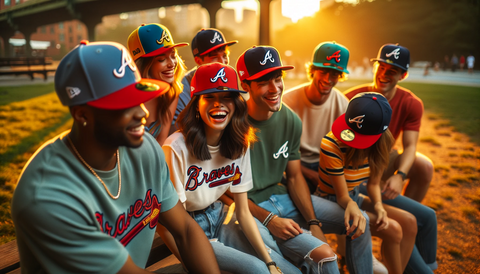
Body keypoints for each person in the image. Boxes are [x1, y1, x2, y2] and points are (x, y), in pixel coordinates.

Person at [11, 41, 220, 274]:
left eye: (139, 97)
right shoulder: (47, 195)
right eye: (124, 104)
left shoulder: (145, 148)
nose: (142, 113)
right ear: (82, 114)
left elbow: (186, 231)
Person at [234, 45, 376, 274]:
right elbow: (223, 191)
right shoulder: (232, 122)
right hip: (248, 210)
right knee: (324, 258)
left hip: (282, 197)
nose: (274, 88)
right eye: (263, 82)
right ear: (245, 85)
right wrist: (269, 220)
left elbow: (294, 176)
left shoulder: (290, 119)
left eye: (277, 78)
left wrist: (313, 222)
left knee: (362, 221)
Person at [160, 62, 301, 274]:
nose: (219, 105)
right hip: (190, 227)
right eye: (209, 97)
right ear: (196, 103)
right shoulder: (176, 148)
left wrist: (271, 263)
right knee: (256, 269)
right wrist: (189, 264)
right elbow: (168, 224)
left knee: (285, 269)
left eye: (226, 97)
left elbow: (243, 212)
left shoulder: (239, 142)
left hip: (221, 216)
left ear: (236, 103)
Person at [283, 41, 388, 274]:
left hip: (329, 165)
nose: (329, 79)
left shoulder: (342, 103)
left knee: (354, 207)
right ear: (312, 70)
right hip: (293, 166)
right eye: (324, 71)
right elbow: (280, 156)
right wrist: (308, 173)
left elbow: (346, 148)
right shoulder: (288, 102)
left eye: (335, 74)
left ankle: (352, 253)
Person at [345, 44, 438, 273]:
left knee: (427, 212)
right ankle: (418, 266)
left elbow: (410, 146)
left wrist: (400, 175)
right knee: (415, 221)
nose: (384, 74)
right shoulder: (352, 98)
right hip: (358, 172)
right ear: (375, 66)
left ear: (403, 75)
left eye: (392, 71)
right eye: (381, 67)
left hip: (380, 165)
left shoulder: (410, 102)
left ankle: (421, 263)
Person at [318, 92, 418, 274]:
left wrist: (379, 206)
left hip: (354, 196)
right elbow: (342, 196)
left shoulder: (382, 144)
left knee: (409, 221)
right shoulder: (331, 145)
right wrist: (357, 208)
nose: (349, 138)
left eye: (359, 135)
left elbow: (373, 184)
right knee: (394, 229)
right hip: (330, 199)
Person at [127, 23, 188, 145]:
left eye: (173, 55)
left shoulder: (172, 92)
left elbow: (160, 142)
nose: (171, 64)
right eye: (161, 59)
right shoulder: (127, 96)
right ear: (144, 65)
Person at [170, 28, 238, 134]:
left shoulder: (229, 79)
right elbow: (179, 130)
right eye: (215, 57)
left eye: (224, 56)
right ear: (198, 61)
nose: (222, 62)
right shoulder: (182, 88)